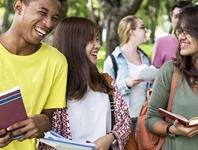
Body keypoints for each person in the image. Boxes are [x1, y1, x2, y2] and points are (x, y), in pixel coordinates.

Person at [39, 17, 131, 150]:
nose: (98, 46)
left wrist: (110, 137)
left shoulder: (106, 83)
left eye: (97, 39)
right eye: (91, 40)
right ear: (73, 43)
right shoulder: (54, 88)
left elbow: (125, 121)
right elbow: (47, 139)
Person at [147, 4, 198, 150]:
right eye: (180, 31)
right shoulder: (170, 71)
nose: (181, 37)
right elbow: (151, 119)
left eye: (188, 31)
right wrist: (172, 129)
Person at [0, 0, 67, 150]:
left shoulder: (56, 61)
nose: (48, 24)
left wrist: (43, 122)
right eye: (42, 13)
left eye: (54, 18)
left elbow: (49, 116)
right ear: (19, 7)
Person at [103, 15, 152, 132]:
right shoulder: (112, 60)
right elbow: (105, 91)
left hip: (144, 118)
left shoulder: (145, 58)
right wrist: (126, 84)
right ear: (131, 32)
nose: (145, 30)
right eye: (142, 27)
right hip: (123, 120)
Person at [151, 0, 191, 68]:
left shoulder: (196, 42)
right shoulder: (161, 42)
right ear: (171, 18)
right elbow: (154, 72)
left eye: (183, 16)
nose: (179, 20)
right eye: (176, 16)